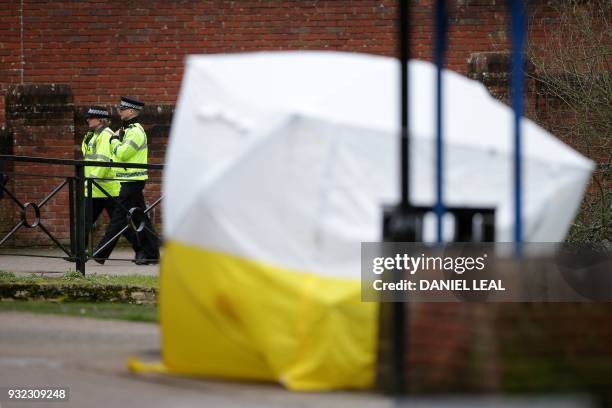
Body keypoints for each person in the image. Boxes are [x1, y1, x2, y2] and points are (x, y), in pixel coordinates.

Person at [93, 96, 160, 265]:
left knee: (119, 217)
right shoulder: (128, 130)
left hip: (133, 181)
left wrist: (114, 140)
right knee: (139, 217)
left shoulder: (136, 131)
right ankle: (151, 253)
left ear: (130, 111)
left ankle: (101, 253)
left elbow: (123, 154)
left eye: (122, 109)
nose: (119, 111)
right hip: (128, 180)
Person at [81, 106, 120, 250]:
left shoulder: (106, 135)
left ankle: (145, 251)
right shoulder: (91, 135)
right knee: (84, 221)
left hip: (106, 188)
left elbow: (103, 161)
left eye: (90, 118)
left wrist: (91, 180)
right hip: (95, 188)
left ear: (100, 120)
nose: (87, 120)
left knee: (121, 223)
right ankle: (79, 252)